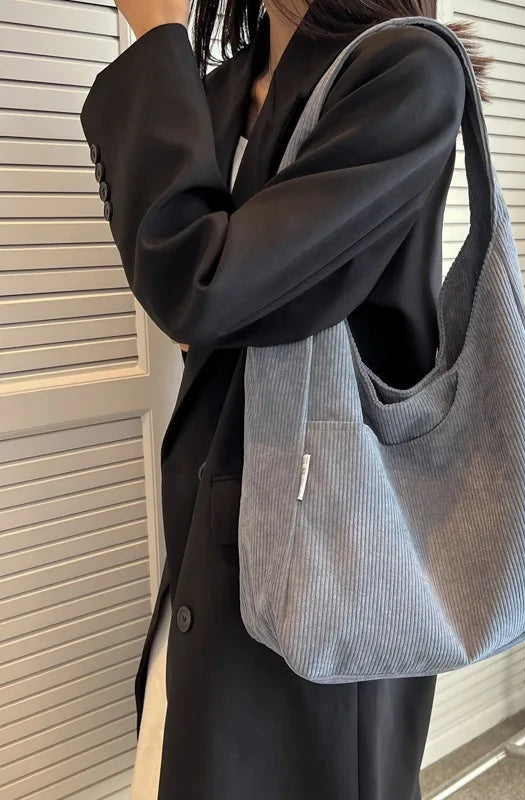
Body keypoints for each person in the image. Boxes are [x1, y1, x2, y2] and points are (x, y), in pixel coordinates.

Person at [80, 0, 489, 797]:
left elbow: (201, 285)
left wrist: (158, 39)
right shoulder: (218, 88)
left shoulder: (407, 70)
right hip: (208, 542)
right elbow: (198, 300)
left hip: (330, 546)